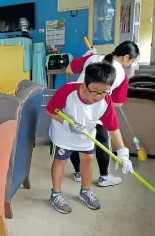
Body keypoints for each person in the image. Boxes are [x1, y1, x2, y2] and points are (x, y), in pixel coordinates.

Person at [46, 63, 134, 214]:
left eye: (104, 92)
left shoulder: (106, 101)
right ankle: (55, 194)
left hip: (86, 133)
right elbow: (50, 110)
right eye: (94, 91)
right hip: (63, 134)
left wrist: (123, 152)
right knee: (60, 161)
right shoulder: (68, 91)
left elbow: (113, 127)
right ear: (85, 85)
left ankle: (85, 191)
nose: (98, 96)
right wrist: (67, 123)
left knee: (88, 160)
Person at [66, 41, 140, 187]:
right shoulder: (122, 75)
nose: (130, 64)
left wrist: (86, 58)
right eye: (132, 60)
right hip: (97, 109)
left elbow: (69, 69)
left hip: (74, 102)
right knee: (102, 141)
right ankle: (104, 177)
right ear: (126, 57)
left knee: (74, 137)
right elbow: (118, 103)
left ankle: (78, 173)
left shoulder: (92, 58)